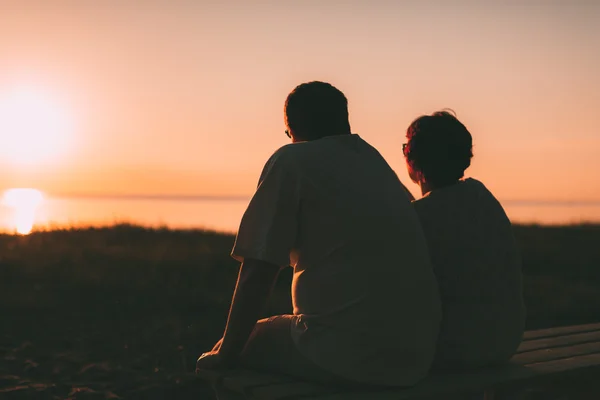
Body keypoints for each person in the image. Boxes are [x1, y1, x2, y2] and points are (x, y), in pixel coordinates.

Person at [196, 81, 442, 387]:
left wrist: (227, 353)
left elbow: (258, 270)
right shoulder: (373, 160)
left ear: (293, 128)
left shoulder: (291, 161)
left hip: (348, 355)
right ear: (344, 121)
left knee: (232, 348)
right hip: (416, 354)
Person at [402, 110, 526, 370]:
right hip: (504, 341)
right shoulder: (482, 197)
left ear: (412, 159)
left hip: (453, 348)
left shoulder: (416, 218)